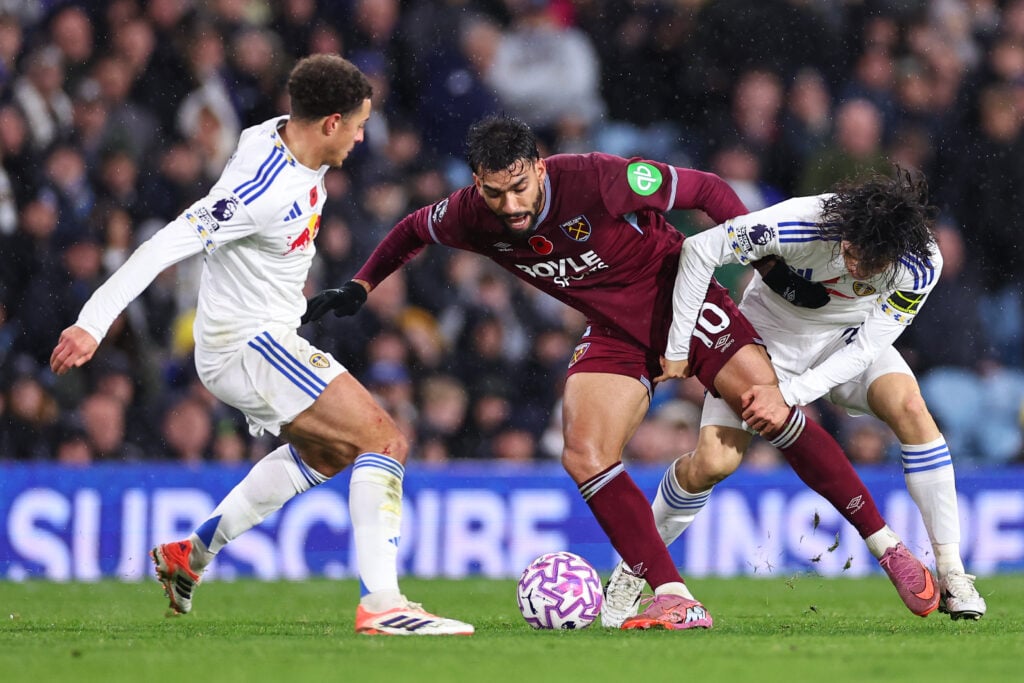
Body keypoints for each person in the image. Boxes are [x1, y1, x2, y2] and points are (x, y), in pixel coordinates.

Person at [302, 115, 936, 630]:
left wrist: (763, 267)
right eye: (493, 192)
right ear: (477, 183)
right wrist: (361, 285)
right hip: (614, 330)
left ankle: (889, 548)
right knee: (584, 453)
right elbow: (415, 228)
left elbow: (709, 191)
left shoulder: (600, 180)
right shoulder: (472, 214)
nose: (510, 205)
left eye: (519, 187)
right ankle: (673, 595)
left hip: (678, 300)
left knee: (769, 406)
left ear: (539, 167)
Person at [49, 54, 473, 637]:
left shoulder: (273, 135)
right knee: (385, 439)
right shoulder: (262, 190)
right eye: (356, 123)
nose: (362, 135)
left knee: (331, 452)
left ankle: (190, 555)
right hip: (248, 344)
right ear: (329, 123)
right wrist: (92, 322)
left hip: (265, 333)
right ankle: (383, 604)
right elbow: (166, 243)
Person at [602, 166, 986, 624]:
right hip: (765, 339)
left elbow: (867, 346)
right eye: (852, 254)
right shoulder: (801, 222)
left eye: (873, 265)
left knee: (912, 408)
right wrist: (678, 346)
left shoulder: (922, 262)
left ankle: (953, 572)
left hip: (845, 340)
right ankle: (635, 565)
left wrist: (789, 394)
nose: (858, 269)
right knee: (713, 463)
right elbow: (700, 250)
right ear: (844, 230)